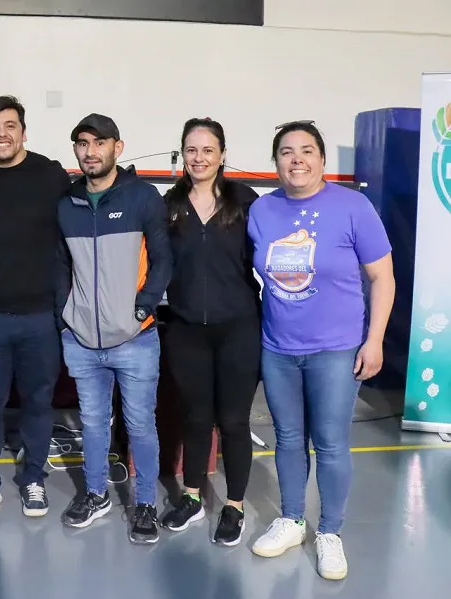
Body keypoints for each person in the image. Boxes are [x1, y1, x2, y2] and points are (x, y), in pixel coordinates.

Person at [247, 121, 394, 580]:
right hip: (278, 347)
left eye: (306, 150)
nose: (297, 160)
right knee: (288, 439)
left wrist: (374, 340)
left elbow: (382, 278)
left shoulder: (353, 206)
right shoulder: (262, 211)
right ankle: (292, 519)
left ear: (322, 159)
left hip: (336, 349)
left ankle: (329, 531)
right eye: (287, 152)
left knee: (330, 444)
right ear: (275, 162)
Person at [55, 114, 172, 544]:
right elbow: (60, 266)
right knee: (92, 424)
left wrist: (143, 306)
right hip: (83, 338)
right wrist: (64, 315)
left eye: (99, 143)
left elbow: (163, 259)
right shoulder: (67, 204)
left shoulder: (143, 197)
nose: (90, 151)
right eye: (82, 144)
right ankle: (95, 494)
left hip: (136, 337)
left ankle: (144, 504)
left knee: (140, 424)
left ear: (117, 148)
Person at [0, 95, 71, 517]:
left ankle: (34, 478)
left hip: (39, 314)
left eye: (9, 125)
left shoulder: (50, 174)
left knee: (38, 402)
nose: (1, 134)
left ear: (24, 131)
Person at [159, 118, 261, 546]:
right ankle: (194, 497)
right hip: (186, 329)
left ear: (222, 154)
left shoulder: (246, 201)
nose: (198, 158)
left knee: (234, 421)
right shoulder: (171, 203)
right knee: (196, 418)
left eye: (207, 150)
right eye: (191, 150)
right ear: (182, 154)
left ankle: (234, 506)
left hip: (238, 327)